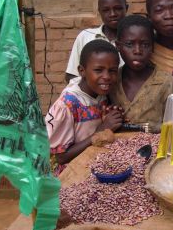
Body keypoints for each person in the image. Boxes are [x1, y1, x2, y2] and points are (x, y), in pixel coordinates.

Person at [47, 40, 123, 175]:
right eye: (98, 70)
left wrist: (111, 115)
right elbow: (58, 157)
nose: (107, 77)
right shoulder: (67, 105)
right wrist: (101, 131)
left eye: (112, 71)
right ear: (82, 71)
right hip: (66, 177)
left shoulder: (99, 94)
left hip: (89, 165)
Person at [110, 15, 173, 131]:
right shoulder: (111, 80)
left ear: (153, 47)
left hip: (154, 147)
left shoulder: (165, 81)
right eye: (129, 44)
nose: (138, 51)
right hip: (115, 147)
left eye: (145, 45)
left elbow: (172, 125)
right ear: (118, 46)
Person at [65, 0, 128, 82]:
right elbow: (71, 75)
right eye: (106, 10)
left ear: (126, 8)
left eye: (118, 8)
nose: (112, 14)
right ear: (99, 12)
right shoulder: (85, 37)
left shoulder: (134, 40)